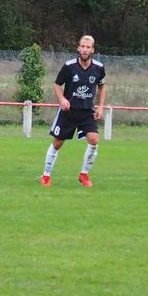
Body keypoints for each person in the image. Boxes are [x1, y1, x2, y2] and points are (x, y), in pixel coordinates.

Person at [43, 35, 107, 187]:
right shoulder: (69, 66)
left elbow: (102, 87)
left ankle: (84, 175)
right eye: (82, 46)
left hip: (87, 112)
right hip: (69, 112)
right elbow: (57, 85)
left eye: (88, 47)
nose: (85, 49)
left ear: (92, 50)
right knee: (58, 143)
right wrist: (62, 99)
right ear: (78, 48)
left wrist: (100, 106)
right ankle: (46, 175)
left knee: (94, 140)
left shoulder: (99, 68)